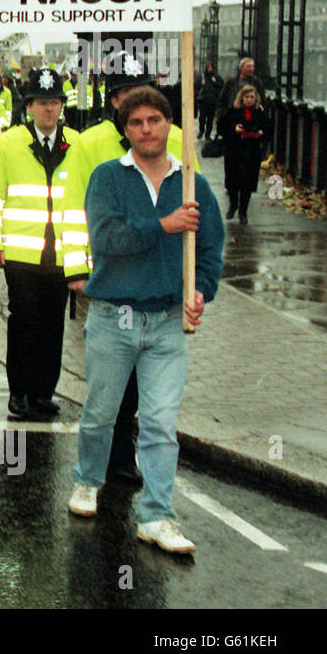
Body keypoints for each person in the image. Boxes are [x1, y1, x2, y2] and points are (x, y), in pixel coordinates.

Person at [68, 87, 224, 555]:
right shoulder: (107, 178)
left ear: (169, 125)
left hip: (166, 321)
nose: (146, 129)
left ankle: (157, 516)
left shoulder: (193, 183)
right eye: (136, 123)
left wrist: (200, 292)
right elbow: (107, 238)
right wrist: (165, 225)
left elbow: (212, 249)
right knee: (100, 412)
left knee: (159, 422)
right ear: (126, 131)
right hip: (114, 316)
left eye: (154, 120)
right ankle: (86, 480)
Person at [67, 66, 185, 486]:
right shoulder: (90, 144)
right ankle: (98, 467)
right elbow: (71, 207)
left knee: (139, 389)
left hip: (157, 289)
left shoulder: (175, 144)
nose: (145, 122)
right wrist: (76, 266)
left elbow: (195, 210)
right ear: (116, 103)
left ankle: (122, 458)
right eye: (130, 98)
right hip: (110, 283)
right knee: (107, 386)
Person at [0, 68, 89, 421]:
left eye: (54, 102)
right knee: (24, 321)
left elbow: (86, 200)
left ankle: (44, 391)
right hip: (21, 254)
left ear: (62, 106)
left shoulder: (76, 143)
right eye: (41, 103)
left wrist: (84, 254)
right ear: (29, 106)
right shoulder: (10, 142)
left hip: (62, 253)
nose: (48, 109)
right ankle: (20, 391)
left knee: (53, 324)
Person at [218, 84, 270, 223]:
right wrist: (234, 129)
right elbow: (221, 127)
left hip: (252, 152)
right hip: (234, 150)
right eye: (246, 97)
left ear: (255, 98)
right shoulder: (233, 111)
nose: (249, 100)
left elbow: (269, 129)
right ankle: (233, 205)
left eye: (252, 97)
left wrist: (260, 133)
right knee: (232, 182)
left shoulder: (260, 113)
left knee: (247, 183)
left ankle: (243, 212)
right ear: (241, 98)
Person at [216, 58, 264, 130]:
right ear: (241, 68)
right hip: (233, 117)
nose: (251, 69)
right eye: (248, 66)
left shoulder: (257, 83)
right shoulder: (231, 83)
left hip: (251, 118)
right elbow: (222, 100)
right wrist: (223, 115)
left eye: (252, 66)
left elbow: (262, 100)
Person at [198, 65, 223, 141]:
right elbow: (196, 86)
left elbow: (221, 85)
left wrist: (215, 82)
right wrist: (201, 84)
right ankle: (201, 130)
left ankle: (207, 134)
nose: (209, 69)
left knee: (210, 119)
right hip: (203, 101)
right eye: (208, 68)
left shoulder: (216, 77)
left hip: (212, 101)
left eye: (211, 67)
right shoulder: (203, 77)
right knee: (202, 117)